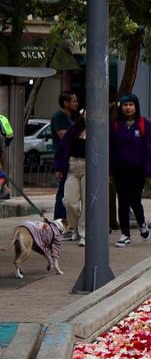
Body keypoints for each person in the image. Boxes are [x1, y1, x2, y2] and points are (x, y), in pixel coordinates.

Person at [110, 94, 151, 247]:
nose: (127, 107)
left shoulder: (144, 124)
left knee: (134, 200)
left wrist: (149, 170)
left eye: (130, 104)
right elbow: (111, 149)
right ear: (121, 108)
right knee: (122, 201)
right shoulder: (116, 125)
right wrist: (110, 170)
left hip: (138, 171)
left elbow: (150, 149)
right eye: (125, 105)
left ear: (136, 107)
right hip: (120, 170)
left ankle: (142, 222)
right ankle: (125, 234)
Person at [53, 112, 87, 247]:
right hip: (72, 167)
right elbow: (61, 149)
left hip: (89, 168)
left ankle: (84, 233)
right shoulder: (74, 128)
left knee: (86, 202)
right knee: (68, 201)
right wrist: (58, 167)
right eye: (87, 111)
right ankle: (75, 227)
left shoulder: (100, 129)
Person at [50, 91, 78, 227]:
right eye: (74, 101)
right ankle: (59, 223)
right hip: (63, 159)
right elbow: (65, 139)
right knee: (63, 192)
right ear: (66, 103)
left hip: (70, 158)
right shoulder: (60, 117)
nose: (76, 103)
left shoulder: (69, 117)